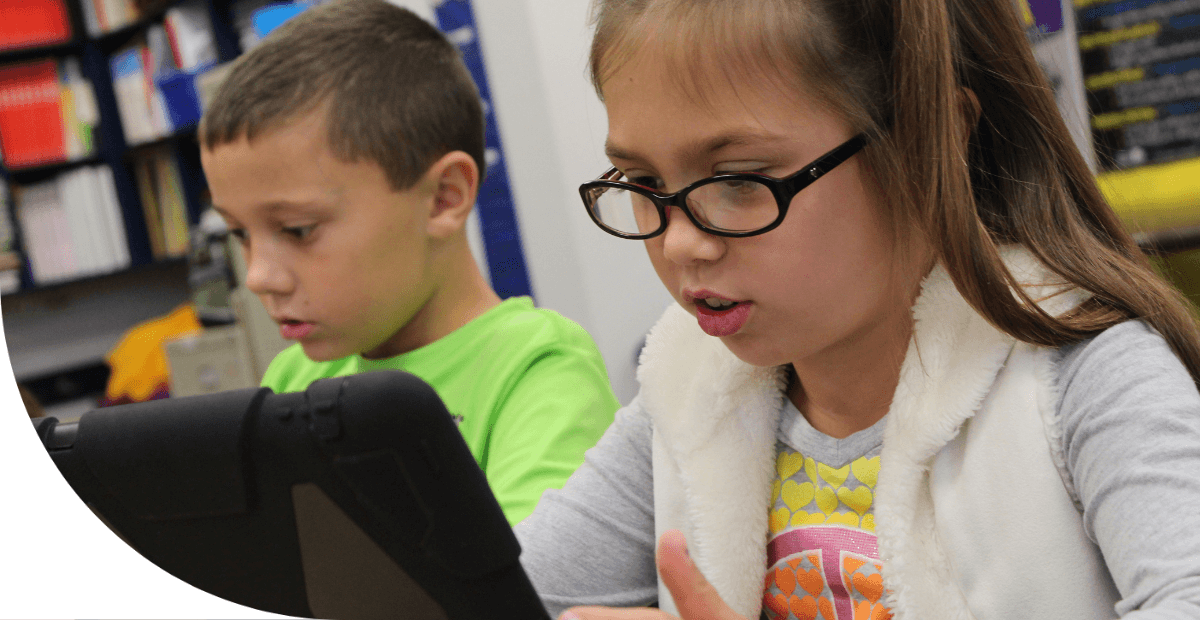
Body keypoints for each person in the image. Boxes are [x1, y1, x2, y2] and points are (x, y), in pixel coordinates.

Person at [513, 0, 1200, 618]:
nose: (681, 242)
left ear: (931, 141)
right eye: (643, 182)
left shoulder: (1090, 378)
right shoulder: (689, 389)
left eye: (738, 181)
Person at [197, 0, 619, 525]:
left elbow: (522, 591)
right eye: (240, 233)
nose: (259, 275)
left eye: (297, 230)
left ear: (443, 197)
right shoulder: (293, 377)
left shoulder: (535, 370)